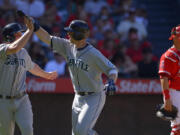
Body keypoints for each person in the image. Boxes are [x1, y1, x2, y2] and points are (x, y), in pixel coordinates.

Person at [33, 19, 118, 135]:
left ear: (79, 35)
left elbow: (112, 69)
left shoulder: (93, 54)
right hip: (78, 96)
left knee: (81, 131)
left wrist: (112, 82)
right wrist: (35, 27)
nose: (68, 34)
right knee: (76, 133)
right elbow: (48, 38)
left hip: (94, 96)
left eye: (71, 32)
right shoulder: (67, 46)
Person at [0, 17, 58, 135]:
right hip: (3, 101)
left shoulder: (23, 52)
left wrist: (46, 75)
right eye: (18, 34)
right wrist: (29, 30)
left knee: (28, 130)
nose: (21, 36)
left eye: (22, 33)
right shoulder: (1, 49)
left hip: (22, 99)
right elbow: (14, 47)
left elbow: (32, 66)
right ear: (9, 36)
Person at [158, 25, 180, 135]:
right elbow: (164, 78)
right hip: (175, 93)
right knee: (178, 128)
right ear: (175, 38)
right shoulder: (168, 56)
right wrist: (167, 98)